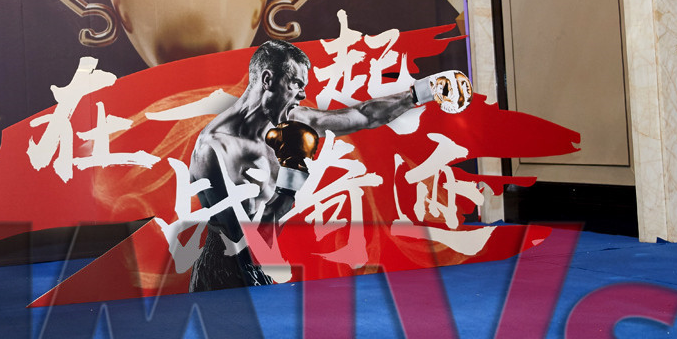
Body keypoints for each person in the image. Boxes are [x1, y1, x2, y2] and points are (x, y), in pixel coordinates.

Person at [188, 40, 470, 291]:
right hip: (223, 275)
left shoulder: (292, 120)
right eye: (296, 83)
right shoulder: (214, 148)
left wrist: (422, 92)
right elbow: (243, 239)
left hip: (256, 265)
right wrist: (292, 176)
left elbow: (362, 115)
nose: (302, 94)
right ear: (268, 79)